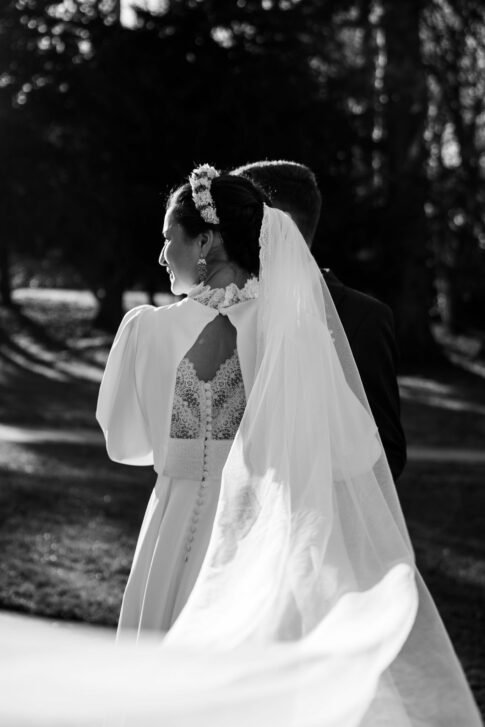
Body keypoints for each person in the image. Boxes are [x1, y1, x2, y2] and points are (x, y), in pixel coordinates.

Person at [91, 164, 481, 727]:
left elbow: (125, 442)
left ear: (205, 241)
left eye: (168, 238)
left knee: (160, 684)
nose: (160, 255)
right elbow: (352, 452)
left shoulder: (146, 332)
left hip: (171, 527)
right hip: (257, 536)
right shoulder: (293, 334)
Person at [232, 160, 407, 481]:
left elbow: (387, 453)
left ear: (278, 224)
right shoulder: (227, 310)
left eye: (238, 220)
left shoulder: (363, 318)